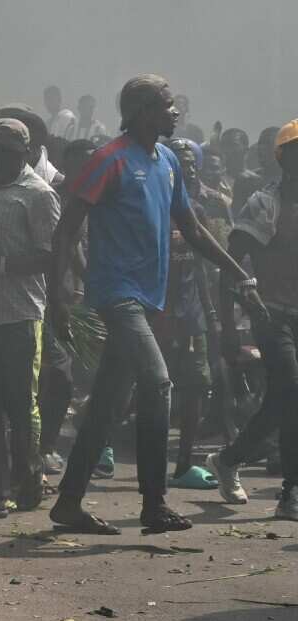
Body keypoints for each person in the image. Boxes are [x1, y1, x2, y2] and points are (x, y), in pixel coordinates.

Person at [46, 75, 263, 534]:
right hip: (117, 295)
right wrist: (58, 296)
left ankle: (68, 502)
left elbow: (195, 229)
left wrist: (236, 271)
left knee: (106, 402)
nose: (175, 112)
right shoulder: (108, 159)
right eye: (166, 105)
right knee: (158, 383)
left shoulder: (167, 160)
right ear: (141, 110)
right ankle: (154, 503)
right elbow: (66, 229)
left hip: (148, 300)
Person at [0, 119, 61, 516]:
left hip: (19, 315)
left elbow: (50, 256)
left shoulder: (39, 195)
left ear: (7, 154)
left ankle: (28, 476)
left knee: (21, 404)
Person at [208, 120, 298, 521]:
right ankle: (291, 493)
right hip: (271, 313)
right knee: (292, 391)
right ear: (284, 158)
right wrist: (228, 321)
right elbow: (231, 261)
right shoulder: (266, 204)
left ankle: (230, 459)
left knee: (283, 399)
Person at [157, 139, 221, 490]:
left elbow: (200, 264)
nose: (188, 169)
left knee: (196, 387)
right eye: (180, 163)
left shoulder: (196, 209)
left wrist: (209, 312)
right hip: (154, 313)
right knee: (146, 388)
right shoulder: (149, 205)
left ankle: (183, 465)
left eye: (191, 163)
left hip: (191, 313)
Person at [39, 139, 95, 475]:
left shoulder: (99, 197)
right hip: (47, 298)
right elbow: (70, 249)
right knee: (57, 374)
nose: (87, 170)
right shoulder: (52, 198)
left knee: (68, 375)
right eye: (81, 164)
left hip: (76, 298)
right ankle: (42, 446)